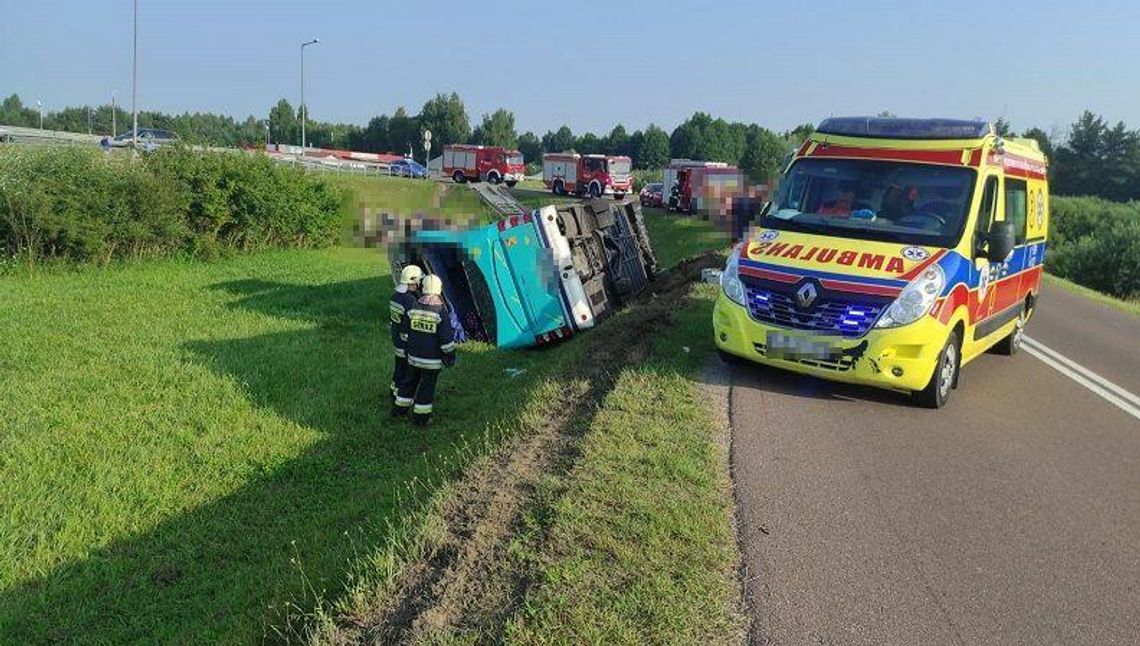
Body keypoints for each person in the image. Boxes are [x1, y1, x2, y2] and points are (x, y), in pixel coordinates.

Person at [393, 274, 457, 426]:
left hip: (413, 358)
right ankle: (421, 418)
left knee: (408, 383)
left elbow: (407, 332)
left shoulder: (414, 307)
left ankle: (399, 410)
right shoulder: (440, 312)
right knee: (426, 388)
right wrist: (450, 356)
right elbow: (446, 340)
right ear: (439, 290)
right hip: (431, 362)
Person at [389, 264, 423, 400]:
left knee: (399, 367)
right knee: (406, 371)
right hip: (406, 341)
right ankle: (400, 395)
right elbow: (413, 322)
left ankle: (393, 389)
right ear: (412, 281)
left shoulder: (395, 297)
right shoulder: (410, 300)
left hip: (396, 338)